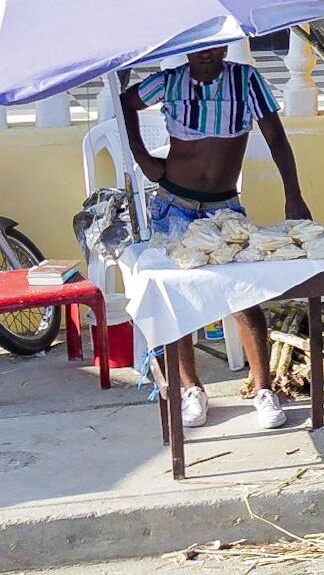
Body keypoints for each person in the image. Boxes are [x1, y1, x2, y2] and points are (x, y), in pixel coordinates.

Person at [121, 45, 308, 430]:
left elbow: (277, 138)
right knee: (178, 301)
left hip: (224, 209)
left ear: (225, 45)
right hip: (174, 206)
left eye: (213, 46)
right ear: (186, 51)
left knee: (243, 296)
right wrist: (142, 157)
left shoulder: (246, 80)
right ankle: (192, 389)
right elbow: (126, 102)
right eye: (196, 48)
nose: (205, 54)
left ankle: (263, 390)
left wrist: (294, 194)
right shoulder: (169, 82)